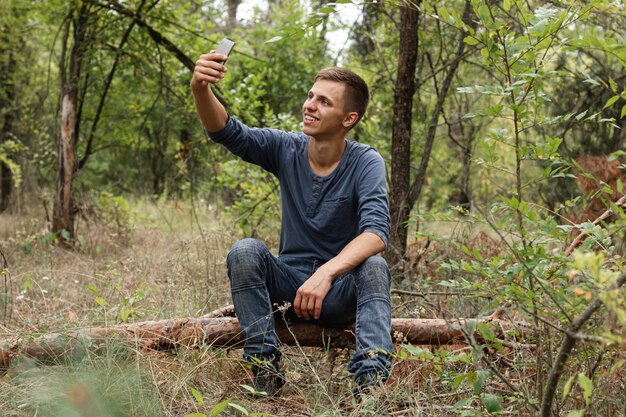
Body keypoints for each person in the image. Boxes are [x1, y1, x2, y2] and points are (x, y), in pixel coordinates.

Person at [190, 47, 393, 397]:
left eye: (325, 102)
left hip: (339, 292)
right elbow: (227, 131)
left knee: (374, 265)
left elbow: (377, 232)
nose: (310, 105)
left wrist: (326, 273)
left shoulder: (366, 161)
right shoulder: (286, 148)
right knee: (245, 251)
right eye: (311, 96)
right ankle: (265, 370)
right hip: (288, 292)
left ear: (349, 118)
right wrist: (199, 88)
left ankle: (370, 384)